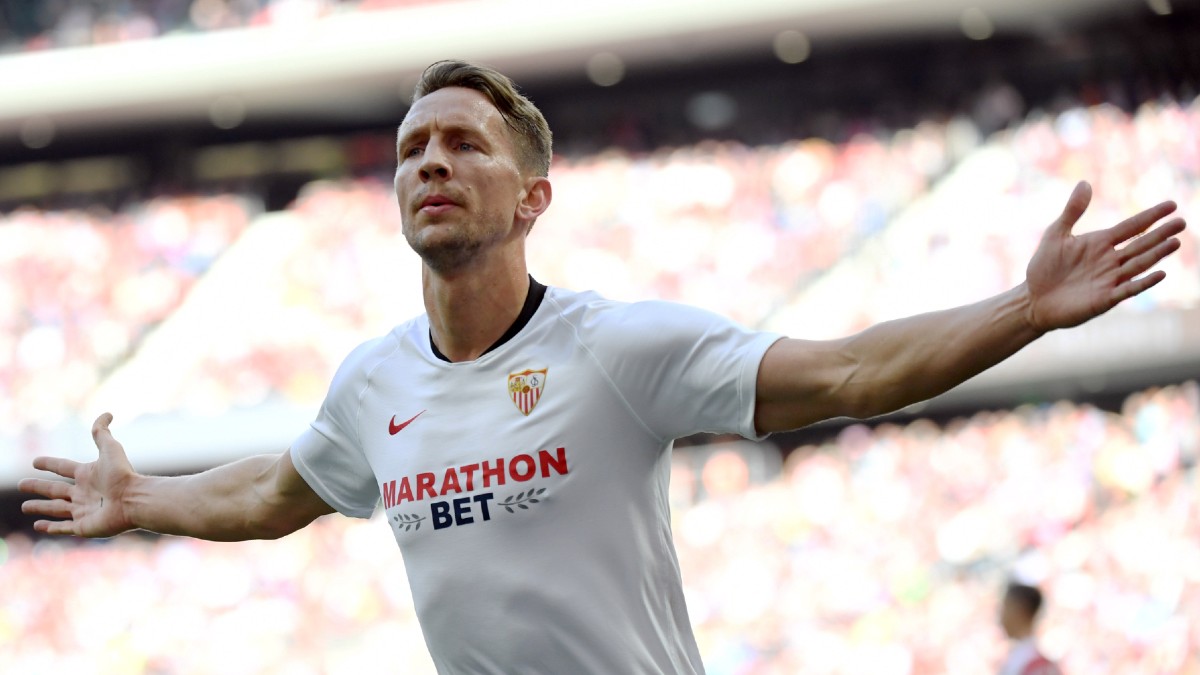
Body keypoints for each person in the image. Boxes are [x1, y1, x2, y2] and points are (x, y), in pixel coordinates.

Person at [18, 60, 1186, 674]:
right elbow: (278, 493)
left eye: (463, 142)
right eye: (412, 147)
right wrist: (146, 501)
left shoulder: (618, 349)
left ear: (531, 199)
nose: (430, 160)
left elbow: (848, 375)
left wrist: (1025, 311)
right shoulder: (372, 384)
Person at [999, 582, 1062, 675]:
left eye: (1006, 608)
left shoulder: (1033, 662)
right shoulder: (1019, 656)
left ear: (1018, 610)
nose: (1001, 617)